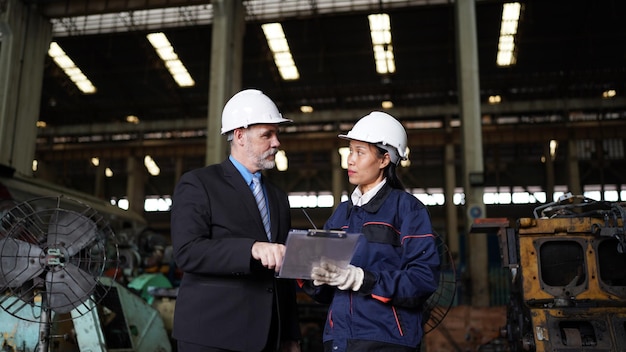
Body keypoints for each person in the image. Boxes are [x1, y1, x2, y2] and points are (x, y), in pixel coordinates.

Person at [171, 89, 301, 352]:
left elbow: (282, 271)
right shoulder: (199, 184)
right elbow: (187, 252)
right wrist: (251, 248)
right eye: (267, 135)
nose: (277, 142)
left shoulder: (277, 197)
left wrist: (289, 334)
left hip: (268, 337)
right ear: (240, 136)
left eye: (277, 134)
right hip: (213, 335)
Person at [300, 111, 440, 352]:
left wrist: (363, 279)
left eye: (359, 152)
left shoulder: (407, 209)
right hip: (338, 340)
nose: (350, 160)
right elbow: (323, 293)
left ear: (384, 159)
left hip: (387, 341)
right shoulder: (342, 213)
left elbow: (423, 279)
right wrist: (307, 271)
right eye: (350, 151)